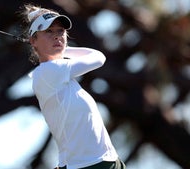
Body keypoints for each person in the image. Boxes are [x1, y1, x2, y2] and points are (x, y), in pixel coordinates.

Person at [19, 4, 126, 169]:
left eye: (60, 31)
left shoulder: (58, 76)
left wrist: (61, 49)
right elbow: (98, 57)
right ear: (33, 41)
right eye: (49, 32)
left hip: (104, 161)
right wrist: (64, 50)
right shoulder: (48, 71)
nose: (57, 36)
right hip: (88, 165)